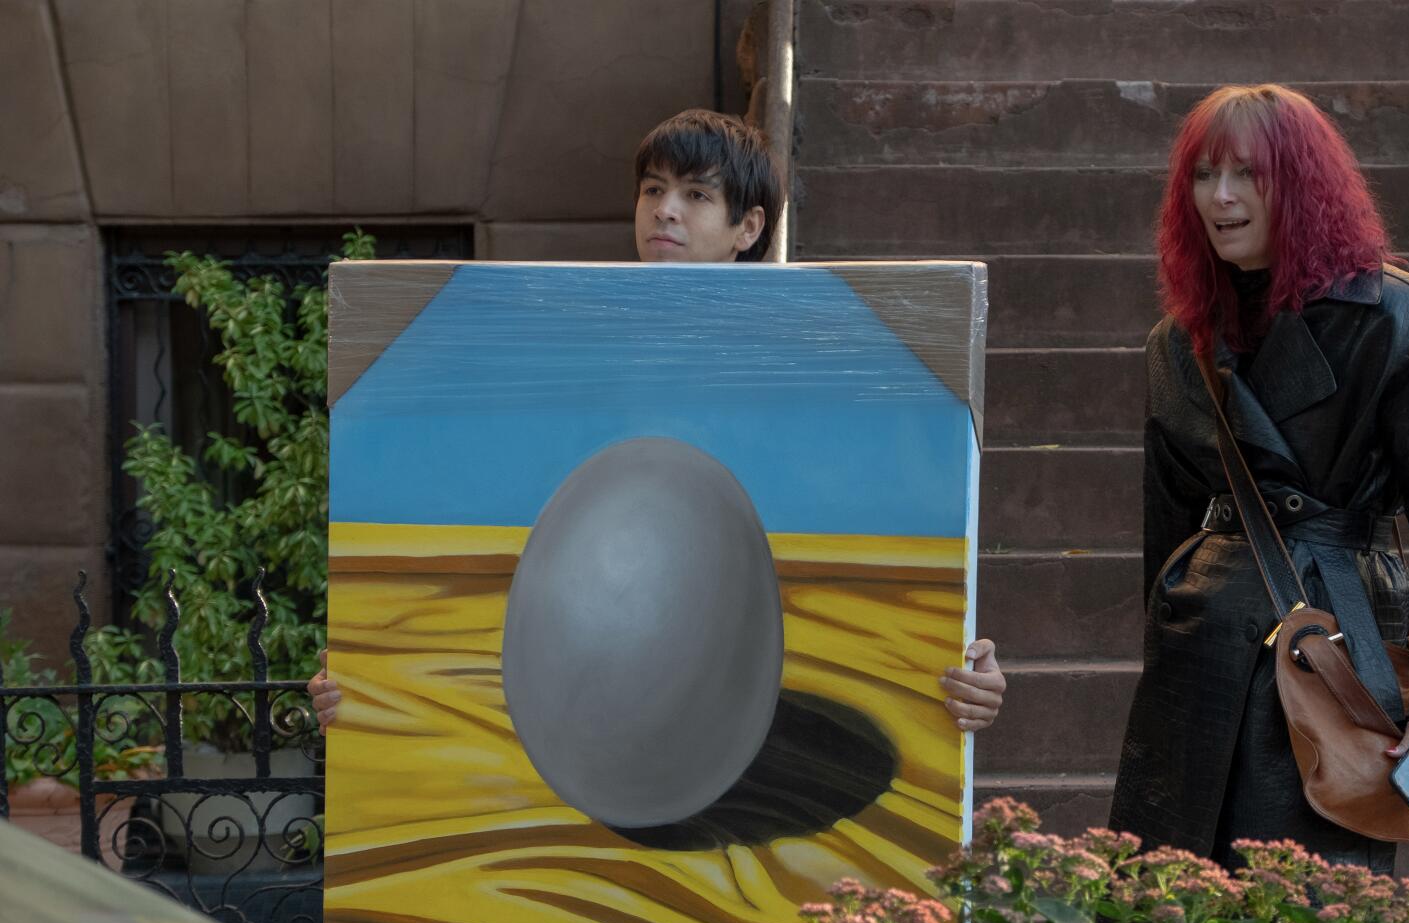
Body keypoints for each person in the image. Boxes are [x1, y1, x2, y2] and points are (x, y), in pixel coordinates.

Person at [311, 109, 1008, 735]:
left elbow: (884, 524)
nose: (665, 211)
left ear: (750, 227)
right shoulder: (560, 346)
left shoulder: (815, 368)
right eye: (653, 189)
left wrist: (963, 668)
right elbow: (478, 510)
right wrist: (369, 676)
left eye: (696, 195)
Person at [1107, 85, 1409, 873]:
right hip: (1197, 655)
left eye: (1247, 174)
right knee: (1162, 913)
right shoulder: (1178, 341)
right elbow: (1167, 526)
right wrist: (1167, 627)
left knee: (1304, 922)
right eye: (1202, 175)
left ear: (1300, 184)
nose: (1220, 197)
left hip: (1329, 643)